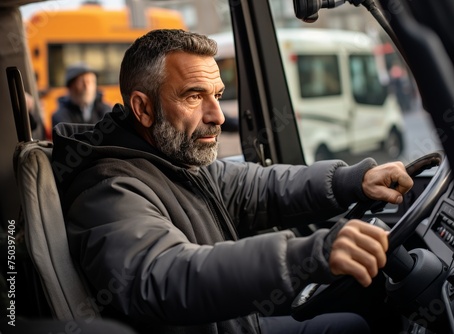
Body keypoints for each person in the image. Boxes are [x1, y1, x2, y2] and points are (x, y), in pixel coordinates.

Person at [51, 29, 413, 334]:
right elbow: (166, 278)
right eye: (194, 96)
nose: (218, 115)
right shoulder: (108, 189)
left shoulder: (172, 159)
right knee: (352, 326)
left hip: (233, 321)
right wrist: (306, 254)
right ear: (143, 109)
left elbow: (259, 187)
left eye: (218, 96)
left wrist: (352, 180)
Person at [51, 62, 111, 128]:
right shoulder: (60, 116)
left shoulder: (107, 112)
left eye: (91, 81)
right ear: (70, 86)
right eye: (81, 82)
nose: (87, 87)